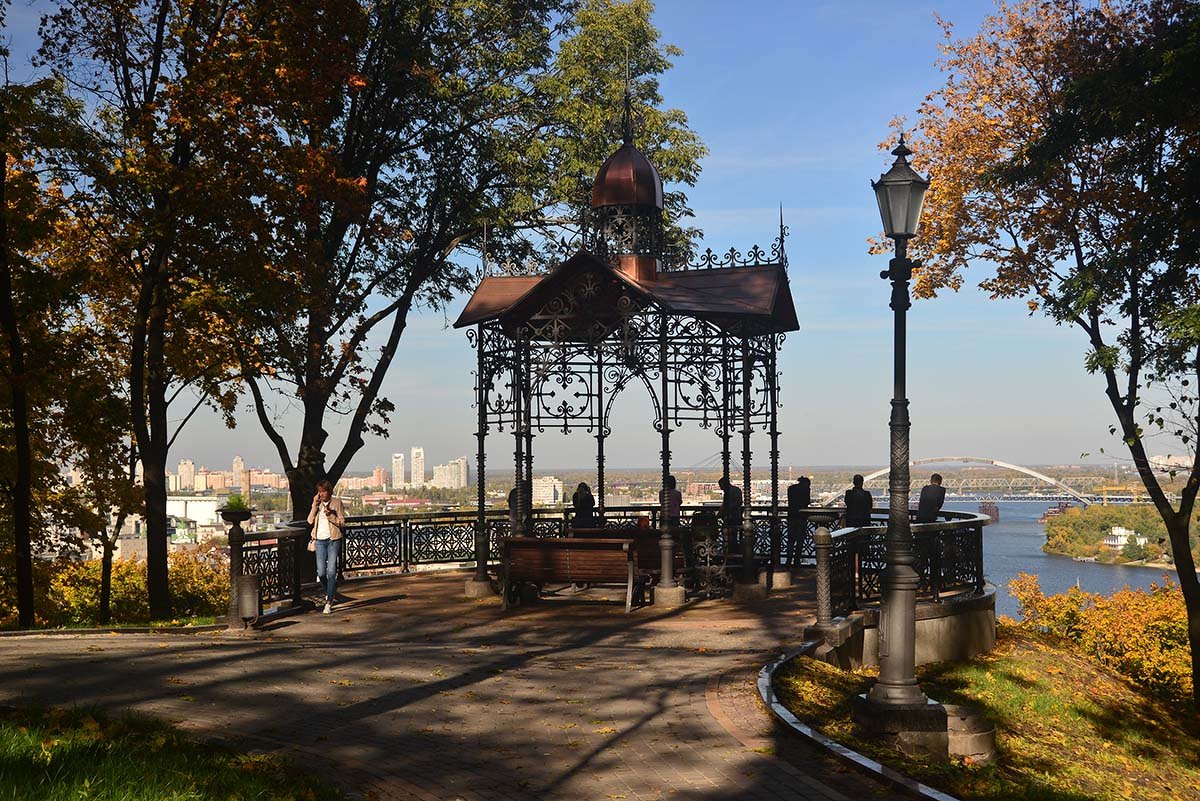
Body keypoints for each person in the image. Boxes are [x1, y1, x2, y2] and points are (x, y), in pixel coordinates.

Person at [308, 480, 346, 614]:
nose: (322, 494)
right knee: (321, 573)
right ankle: (330, 590)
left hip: (333, 540)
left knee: (331, 572)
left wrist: (331, 516)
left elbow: (342, 522)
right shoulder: (317, 504)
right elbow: (310, 520)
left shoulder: (337, 503)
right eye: (320, 492)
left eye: (324, 491)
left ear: (329, 491)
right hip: (319, 540)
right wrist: (314, 505)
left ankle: (329, 601)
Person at [786, 476, 811, 565]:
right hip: (801, 517)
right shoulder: (805, 489)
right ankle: (797, 560)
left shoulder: (791, 489)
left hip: (791, 517)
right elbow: (807, 501)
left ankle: (788, 560)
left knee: (790, 540)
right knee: (800, 540)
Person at [719, 476, 744, 551]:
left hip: (732, 517)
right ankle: (733, 549)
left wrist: (722, 513)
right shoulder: (736, 490)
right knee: (733, 535)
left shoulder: (729, 492)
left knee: (729, 535)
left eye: (721, 486)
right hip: (736, 517)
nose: (721, 488)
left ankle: (730, 550)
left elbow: (728, 505)